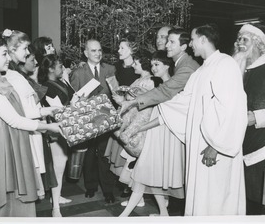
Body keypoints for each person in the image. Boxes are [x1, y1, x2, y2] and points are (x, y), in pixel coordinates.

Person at [133, 24, 248, 215]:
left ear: (203, 39)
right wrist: (142, 101)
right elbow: (183, 101)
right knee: (202, 198)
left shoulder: (225, 64)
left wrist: (217, 146)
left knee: (218, 199)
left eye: (193, 39)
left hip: (215, 148)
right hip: (199, 145)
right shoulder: (203, 70)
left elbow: (234, 108)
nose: (190, 44)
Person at [0, 32, 61, 217]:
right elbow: (14, 120)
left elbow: (19, 112)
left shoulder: (2, 79)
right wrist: (48, 127)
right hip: (6, 145)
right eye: (4, 54)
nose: (8, 58)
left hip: (16, 140)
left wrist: (43, 112)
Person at [119, 50, 185, 217]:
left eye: (157, 65)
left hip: (163, 135)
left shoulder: (172, 86)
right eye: (152, 64)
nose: (153, 68)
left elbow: (165, 118)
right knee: (148, 174)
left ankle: (125, 216)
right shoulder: (161, 85)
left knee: (146, 173)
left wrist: (141, 128)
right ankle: (163, 213)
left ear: (167, 66)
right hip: (155, 134)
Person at [2, 29, 58, 201]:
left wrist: (44, 111)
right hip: (22, 132)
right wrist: (46, 124)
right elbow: (16, 116)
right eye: (25, 49)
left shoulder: (15, 75)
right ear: (11, 50)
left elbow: (24, 109)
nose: (28, 53)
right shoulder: (10, 78)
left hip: (30, 127)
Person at [233, 23, 265, 215]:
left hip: (264, 149)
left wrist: (255, 117)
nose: (240, 43)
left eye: (245, 39)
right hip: (239, 147)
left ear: (258, 44)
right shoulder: (238, 70)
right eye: (239, 39)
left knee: (263, 203)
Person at [70, 39, 117, 204]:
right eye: (93, 51)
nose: (97, 54)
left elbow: (116, 93)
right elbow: (73, 99)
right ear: (86, 53)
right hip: (88, 120)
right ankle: (90, 187)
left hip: (105, 119)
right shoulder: (78, 73)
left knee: (105, 155)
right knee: (89, 155)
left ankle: (108, 190)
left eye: (99, 51)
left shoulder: (110, 70)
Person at [120, 27, 199, 114]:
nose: (167, 45)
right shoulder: (181, 63)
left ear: (183, 47)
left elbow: (165, 91)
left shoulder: (186, 68)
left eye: (172, 42)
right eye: (168, 41)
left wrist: (132, 103)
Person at [38, 54, 75, 217]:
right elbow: (57, 110)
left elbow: (72, 97)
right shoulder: (46, 86)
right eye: (59, 66)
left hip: (65, 128)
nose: (62, 68)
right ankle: (55, 210)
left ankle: (57, 197)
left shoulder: (61, 81)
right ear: (51, 69)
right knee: (58, 169)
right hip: (56, 131)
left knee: (62, 164)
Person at [104, 37, 140, 198]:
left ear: (132, 50)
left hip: (133, 111)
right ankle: (118, 180)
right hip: (118, 108)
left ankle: (129, 183)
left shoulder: (139, 69)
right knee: (117, 148)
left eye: (122, 48)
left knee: (129, 145)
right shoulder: (116, 67)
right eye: (119, 48)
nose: (118, 50)